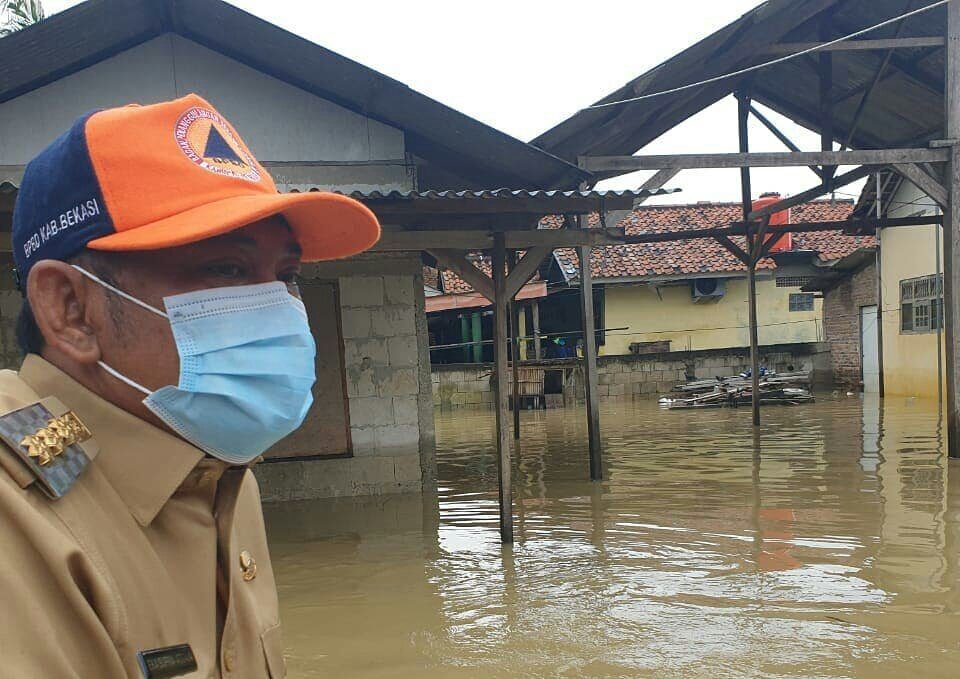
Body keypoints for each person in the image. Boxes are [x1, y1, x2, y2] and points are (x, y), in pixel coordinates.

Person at [0, 94, 380, 678]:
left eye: (286, 276)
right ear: (71, 309)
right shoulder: (16, 518)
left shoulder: (220, 473)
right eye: (225, 269)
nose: (277, 307)